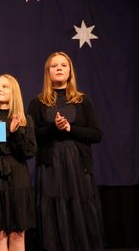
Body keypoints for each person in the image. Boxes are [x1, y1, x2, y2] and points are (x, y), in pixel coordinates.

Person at [27, 52, 104, 251]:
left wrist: (71, 128)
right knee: (53, 211)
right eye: (54, 66)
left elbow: (96, 134)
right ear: (48, 72)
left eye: (63, 65)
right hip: (51, 166)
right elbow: (32, 137)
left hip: (78, 166)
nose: (59, 68)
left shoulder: (82, 101)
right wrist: (55, 128)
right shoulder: (38, 103)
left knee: (81, 211)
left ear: (70, 71)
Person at [0, 74, 37, 251]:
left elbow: (28, 152)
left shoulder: (25, 120)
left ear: (14, 91)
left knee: (17, 232)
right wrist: (3, 134)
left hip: (17, 180)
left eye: (4, 86)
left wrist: (14, 132)